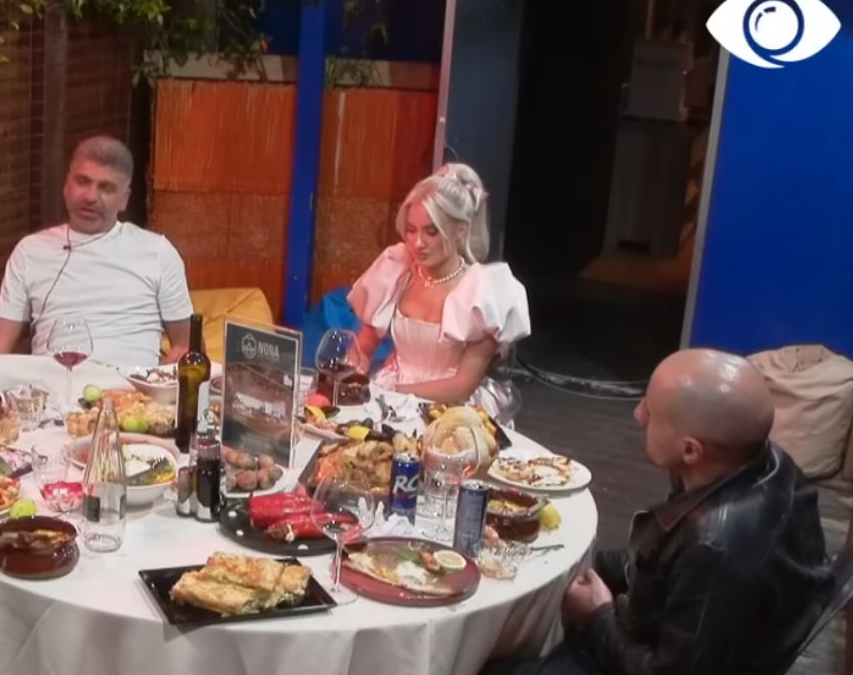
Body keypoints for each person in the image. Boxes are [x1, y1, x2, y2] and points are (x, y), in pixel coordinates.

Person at [484, 349, 832, 675]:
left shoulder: (715, 548)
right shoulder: (768, 463)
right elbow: (659, 560)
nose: (638, 415)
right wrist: (572, 563)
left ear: (690, 451)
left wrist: (596, 615)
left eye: (650, 411)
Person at [0, 135, 194, 414]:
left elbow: (187, 344)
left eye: (106, 188)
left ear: (124, 199)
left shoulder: (157, 252)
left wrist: (177, 361)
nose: (90, 197)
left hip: (126, 388)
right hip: (48, 386)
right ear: (66, 185)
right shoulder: (31, 250)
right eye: (82, 181)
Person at [347, 165, 529, 418]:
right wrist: (349, 373)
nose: (417, 243)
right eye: (411, 230)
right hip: (389, 395)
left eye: (431, 232)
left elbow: (462, 386)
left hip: (448, 407)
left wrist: (392, 393)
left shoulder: (482, 291)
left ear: (460, 231)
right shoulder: (397, 271)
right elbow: (362, 350)